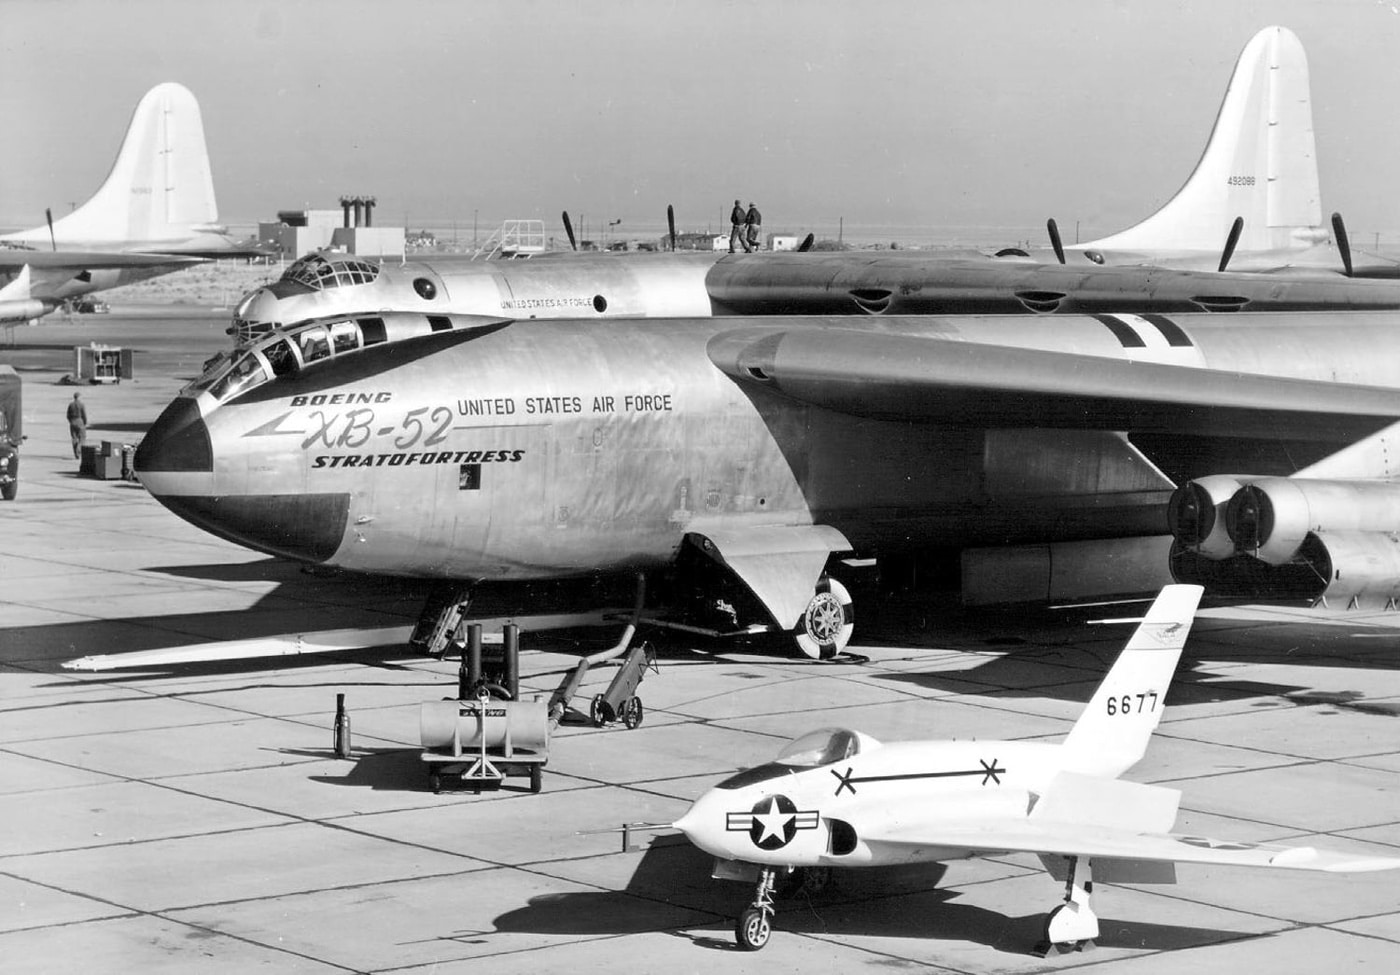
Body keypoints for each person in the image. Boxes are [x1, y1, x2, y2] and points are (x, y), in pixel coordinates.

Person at [67, 391, 87, 460]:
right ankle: (79, 448)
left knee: (74, 438)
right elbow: (84, 414)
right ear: (79, 397)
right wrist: (85, 422)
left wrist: (70, 421)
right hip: (79, 421)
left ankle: (76, 454)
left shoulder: (71, 404)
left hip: (72, 421)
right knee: (82, 437)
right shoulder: (81, 404)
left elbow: (68, 415)